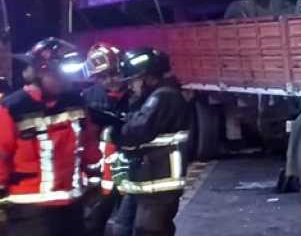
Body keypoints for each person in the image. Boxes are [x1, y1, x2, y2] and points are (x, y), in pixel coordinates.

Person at [0, 37, 100, 235]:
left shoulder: (75, 102)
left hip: (71, 205)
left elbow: (89, 146)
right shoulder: (13, 108)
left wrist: (95, 180)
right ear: (39, 72)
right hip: (29, 210)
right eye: (59, 74)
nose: (65, 80)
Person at [113, 47, 192, 236]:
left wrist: (114, 130)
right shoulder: (155, 96)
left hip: (159, 184)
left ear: (147, 77)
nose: (130, 86)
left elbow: (136, 131)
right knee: (124, 227)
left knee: (149, 231)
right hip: (147, 182)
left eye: (133, 81)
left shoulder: (163, 96)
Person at [81, 42, 135, 236]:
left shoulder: (135, 95)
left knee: (127, 221)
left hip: (130, 167)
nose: (109, 81)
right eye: (102, 77)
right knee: (94, 220)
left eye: (113, 74)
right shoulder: (87, 97)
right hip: (101, 171)